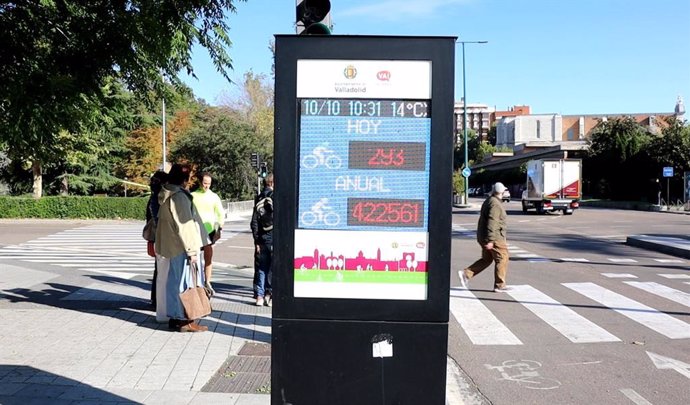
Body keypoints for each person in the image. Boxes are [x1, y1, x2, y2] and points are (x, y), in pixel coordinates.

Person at [155, 163, 210, 332]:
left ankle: (174, 316)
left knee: (173, 281)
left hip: (171, 246)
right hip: (182, 247)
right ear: (184, 179)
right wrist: (192, 251)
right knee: (185, 283)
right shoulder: (178, 197)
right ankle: (185, 320)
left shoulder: (166, 194)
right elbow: (185, 226)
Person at [459, 182, 511, 292]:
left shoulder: (490, 200)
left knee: (487, 259)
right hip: (495, 237)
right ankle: (499, 285)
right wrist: (491, 240)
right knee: (502, 258)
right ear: (501, 192)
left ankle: (466, 274)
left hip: (484, 236)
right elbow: (493, 222)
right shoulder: (495, 204)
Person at [192, 172, 225, 297]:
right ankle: (195, 281)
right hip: (195, 231)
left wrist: (219, 228)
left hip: (210, 230)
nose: (207, 186)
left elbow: (220, 214)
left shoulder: (214, 196)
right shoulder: (192, 196)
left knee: (208, 257)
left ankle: (207, 281)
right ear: (200, 182)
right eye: (205, 183)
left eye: (209, 184)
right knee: (194, 258)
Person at [250, 173, 274, 306]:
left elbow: (254, 222)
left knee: (261, 267)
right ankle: (269, 294)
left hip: (261, 238)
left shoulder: (258, 198)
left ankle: (259, 295)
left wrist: (256, 240)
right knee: (271, 267)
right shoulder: (274, 196)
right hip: (273, 235)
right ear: (272, 183)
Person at [146, 170, 167, 310]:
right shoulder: (158, 199)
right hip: (161, 238)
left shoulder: (153, 198)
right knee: (161, 270)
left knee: (158, 269)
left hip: (155, 238)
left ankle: (155, 299)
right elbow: (158, 220)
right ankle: (158, 300)